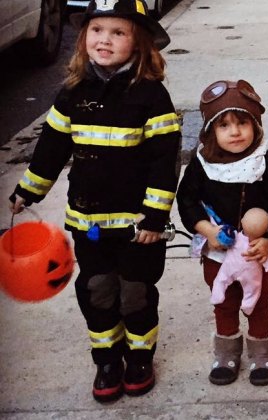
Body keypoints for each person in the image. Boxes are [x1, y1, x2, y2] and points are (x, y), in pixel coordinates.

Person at [8, 0, 180, 403]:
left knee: (135, 291)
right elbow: (50, 148)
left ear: (139, 43)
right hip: (88, 221)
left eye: (118, 32)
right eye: (97, 30)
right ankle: (107, 358)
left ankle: (140, 356)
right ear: (83, 37)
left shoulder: (152, 97)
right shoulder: (71, 94)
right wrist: (29, 190)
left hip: (140, 227)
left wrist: (155, 216)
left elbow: (163, 161)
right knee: (97, 290)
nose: (105, 39)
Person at [176, 79, 268, 387]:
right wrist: (206, 229)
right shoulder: (203, 165)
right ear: (210, 132)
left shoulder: (266, 163)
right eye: (224, 125)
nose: (235, 131)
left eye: (242, 123)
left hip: (254, 251)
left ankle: (262, 353)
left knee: (257, 302)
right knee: (224, 301)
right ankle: (226, 352)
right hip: (217, 249)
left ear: (255, 126)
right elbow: (187, 199)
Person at [210, 207, 268, 315]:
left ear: (242, 221)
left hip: (230, 267)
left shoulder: (236, 237)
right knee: (253, 289)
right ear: (267, 230)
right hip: (250, 274)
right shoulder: (260, 247)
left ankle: (217, 295)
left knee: (221, 279)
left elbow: (224, 237)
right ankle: (248, 305)